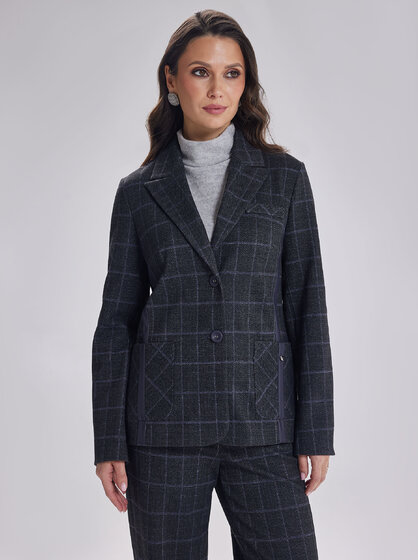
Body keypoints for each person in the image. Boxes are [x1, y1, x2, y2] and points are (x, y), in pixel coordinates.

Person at [92, 9, 335, 560]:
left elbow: (308, 306)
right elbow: (116, 323)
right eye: (201, 71)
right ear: (172, 80)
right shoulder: (138, 192)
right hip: (163, 428)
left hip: (264, 423)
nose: (217, 88)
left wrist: (316, 428)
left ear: (246, 84)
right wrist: (108, 440)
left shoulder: (285, 179)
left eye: (232, 73)